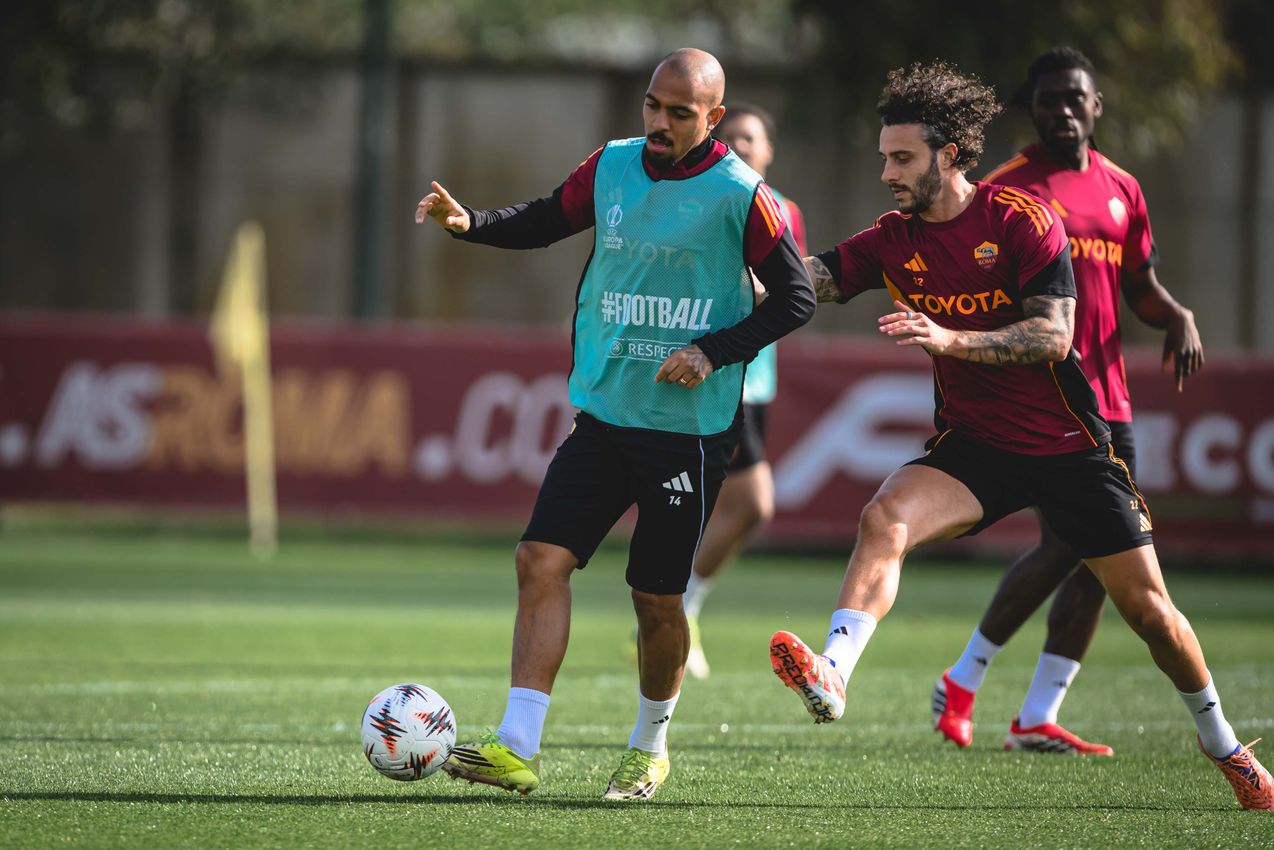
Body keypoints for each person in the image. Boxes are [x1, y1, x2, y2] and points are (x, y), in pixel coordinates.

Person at [768, 60, 1270, 811]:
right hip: (977, 445)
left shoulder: (1020, 220)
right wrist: (744, 279)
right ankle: (834, 673)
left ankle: (1222, 743)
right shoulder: (892, 238)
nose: (886, 172)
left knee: (1152, 617)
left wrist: (949, 338)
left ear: (952, 155)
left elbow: (1052, 337)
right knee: (885, 516)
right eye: (883, 157)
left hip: (1070, 447)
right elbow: (811, 280)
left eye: (901, 158)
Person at [416, 48, 815, 801]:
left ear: (714, 118)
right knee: (539, 559)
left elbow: (795, 298)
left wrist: (712, 350)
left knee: (656, 601)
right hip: (603, 415)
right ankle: (517, 745)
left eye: (679, 113)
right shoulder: (613, 165)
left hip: (689, 433)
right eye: (651, 106)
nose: (659, 123)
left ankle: (649, 747)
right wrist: (470, 223)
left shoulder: (742, 193)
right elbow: (546, 219)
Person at [932, 47, 1205, 756]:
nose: (1064, 110)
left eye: (1075, 97)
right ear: (1033, 109)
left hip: (1109, 400)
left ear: (1096, 105)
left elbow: (1139, 284)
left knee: (1097, 560)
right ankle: (965, 679)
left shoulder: (1123, 189)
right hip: (1042, 400)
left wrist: (1175, 314)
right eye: (1050, 99)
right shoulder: (1005, 191)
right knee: (1069, 547)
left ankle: (1035, 714)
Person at [680, 102, 808, 680]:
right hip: (718, 373)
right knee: (750, 503)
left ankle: (673, 602)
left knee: (726, 504)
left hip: (756, 378)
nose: (739, 145)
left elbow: (791, 287)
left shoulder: (783, 210)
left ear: (770, 150)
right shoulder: (704, 199)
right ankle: (675, 603)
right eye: (729, 137)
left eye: (750, 138)